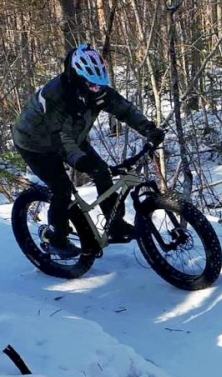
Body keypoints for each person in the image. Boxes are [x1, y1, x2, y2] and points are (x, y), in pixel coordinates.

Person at [12, 43, 165, 258]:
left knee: (102, 172)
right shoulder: (56, 96)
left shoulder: (97, 90)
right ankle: (57, 237)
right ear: (77, 78)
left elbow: (125, 110)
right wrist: (80, 160)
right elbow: (59, 138)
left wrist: (149, 129)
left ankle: (115, 224)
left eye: (99, 84)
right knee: (62, 189)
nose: (97, 89)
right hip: (35, 143)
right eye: (91, 85)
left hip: (73, 135)